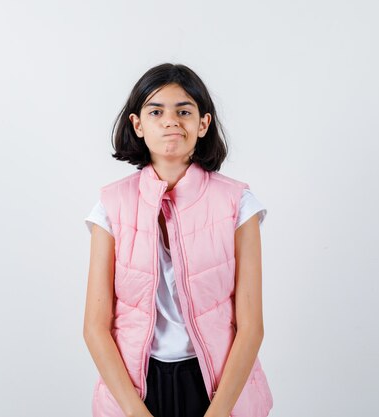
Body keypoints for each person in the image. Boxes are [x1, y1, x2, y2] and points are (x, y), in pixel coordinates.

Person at [82, 63, 273, 417]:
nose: (171, 121)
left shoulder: (238, 203)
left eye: (184, 111)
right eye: (156, 111)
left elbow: (251, 327)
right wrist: (136, 412)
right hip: (136, 387)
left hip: (216, 386)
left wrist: (218, 413)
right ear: (137, 125)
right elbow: (95, 326)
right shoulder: (110, 205)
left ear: (203, 124)